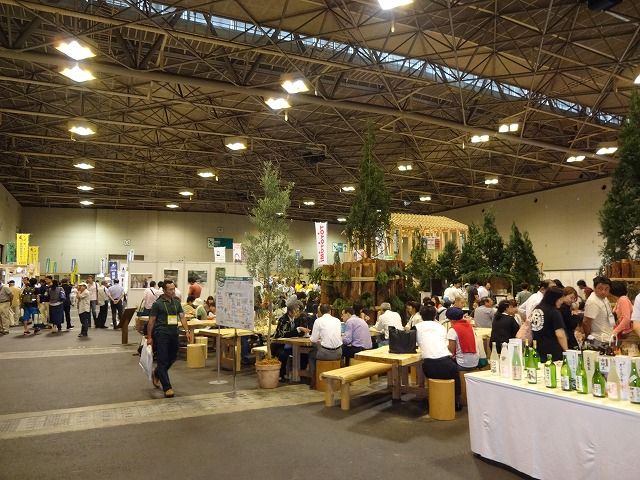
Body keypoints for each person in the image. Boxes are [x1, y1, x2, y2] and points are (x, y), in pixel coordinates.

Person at [146, 280, 192, 398]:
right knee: (162, 360)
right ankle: (167, 387)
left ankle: (157, 373)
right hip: (161, 334)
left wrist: (187, 331)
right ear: (164, 290)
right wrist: (149, 337)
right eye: (170, 289)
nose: (173, 291)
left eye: (173, 289)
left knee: (173, 357)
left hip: (173, 333)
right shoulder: (158, 304)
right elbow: (151, 321)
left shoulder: (176, 302)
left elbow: (182, 317)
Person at [415, 305, 463, 411]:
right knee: (455, 373)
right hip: (447, 365)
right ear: (434, 316)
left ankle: (431, 397)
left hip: (429, 367)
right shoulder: (441, 327)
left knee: (423, 366)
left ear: (421, 316)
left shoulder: (416, 327)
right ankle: (457, 402)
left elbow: (415, 344)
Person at [272, 301, 309, 381]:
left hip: (291, 345)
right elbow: (283, 334)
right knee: (283, 354)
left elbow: (296, 333)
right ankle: (281, 375)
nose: (298, 313)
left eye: (298, 311)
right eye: (296, 311)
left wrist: (302, 332)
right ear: (290, 312)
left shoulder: (295, 319)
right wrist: (298, 329)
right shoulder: (283, 319)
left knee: (304, 353)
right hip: (280, 345)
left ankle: (301, 373)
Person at [308, 304, 342, 388]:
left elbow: (313, 339)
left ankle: (313, 380)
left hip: (325, 354)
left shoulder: (318, 321)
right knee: (318, 349)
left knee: (311, 355)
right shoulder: (337, 320)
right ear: (330, 311)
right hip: (338, 353)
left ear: (320, 312)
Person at [530, 287, 568, 361]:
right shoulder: (554, 312)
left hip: (536, 348)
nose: (562, 302)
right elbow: (560, 334)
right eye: (560, 300)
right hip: (551, 351)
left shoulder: (536, 309)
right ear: (554, 299)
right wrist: (567, 351)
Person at [582, 276, 615, 342]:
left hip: (608, 336)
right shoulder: (593, 301)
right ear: (594, 288)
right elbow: (586, 322)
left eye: (606, 289)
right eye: (600, 288)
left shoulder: (604, 298)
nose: (603, 292)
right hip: (599, 339)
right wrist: (587, 336)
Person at [611, 281, 635, 350]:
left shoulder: (623, 299)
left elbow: (626, 318)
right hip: (625, 332)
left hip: (628, 333)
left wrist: (615, 331)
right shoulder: (620, 300)